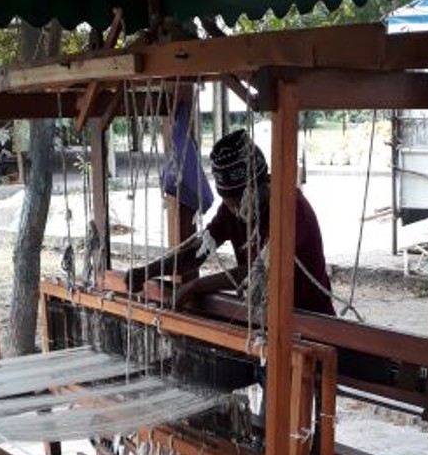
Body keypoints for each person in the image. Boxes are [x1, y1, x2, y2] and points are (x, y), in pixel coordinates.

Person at [125, 129, 335, 318]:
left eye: (240, 204)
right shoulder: (232, 210)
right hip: (264, 319)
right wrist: (148, 271)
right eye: (230, 204)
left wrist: (196, 286)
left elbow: (258, 272)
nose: (236, 211)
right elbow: (198, 252)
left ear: (257, 188)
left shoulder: (291, 210)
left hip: (311, 320)